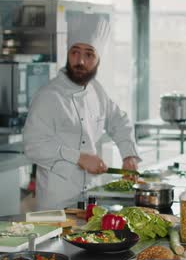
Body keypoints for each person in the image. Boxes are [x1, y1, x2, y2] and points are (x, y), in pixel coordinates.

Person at [23, 16, 140, 210]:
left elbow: (119, 121)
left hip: (91, 197)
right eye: (75, 52)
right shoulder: (48, 96)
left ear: (98, 59)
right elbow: (33, 145)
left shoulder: (97, 91)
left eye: (89, 54)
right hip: (57, 203)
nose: (80, 61)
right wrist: (79, 157)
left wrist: (129, 155)